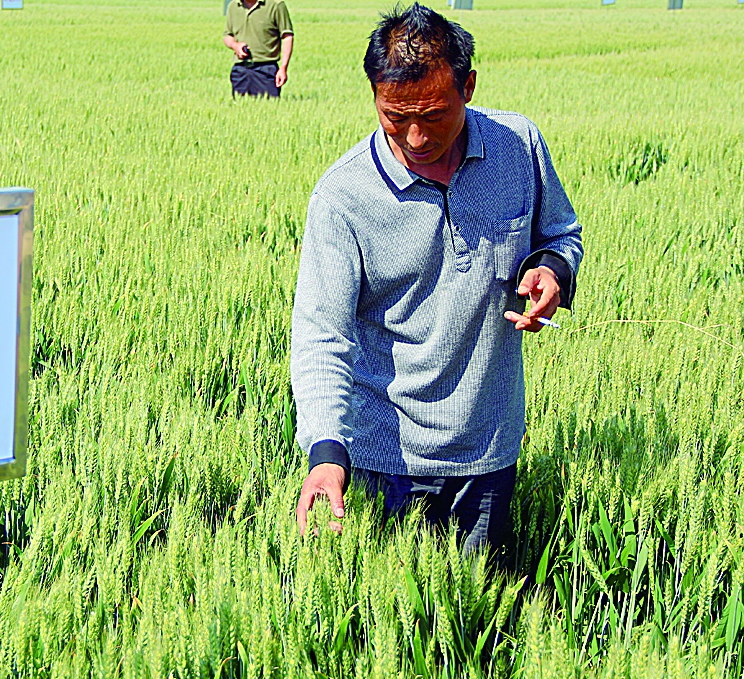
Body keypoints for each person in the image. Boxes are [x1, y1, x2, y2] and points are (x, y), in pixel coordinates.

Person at [290, 3, 582, 556]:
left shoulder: (518, 147)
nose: (417, 137)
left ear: (468, 86)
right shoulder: (343, 197)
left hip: (489, 450)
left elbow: (561, 233)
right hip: (383, 457)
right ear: (375, 95)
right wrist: (327, 453)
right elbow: (319, 335)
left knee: (476, 621)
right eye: (395, 117)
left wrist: (552, 271)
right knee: (387, 630)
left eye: (433, 114)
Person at [223, 0, 293, 97]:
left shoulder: (276, 5)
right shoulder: (233, 6)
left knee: (269, 108)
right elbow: (227, 35)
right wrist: (235, 45)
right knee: (239, 109)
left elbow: (287, 36)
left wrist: (283, 68)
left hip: (266, 70)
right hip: (240, 70)